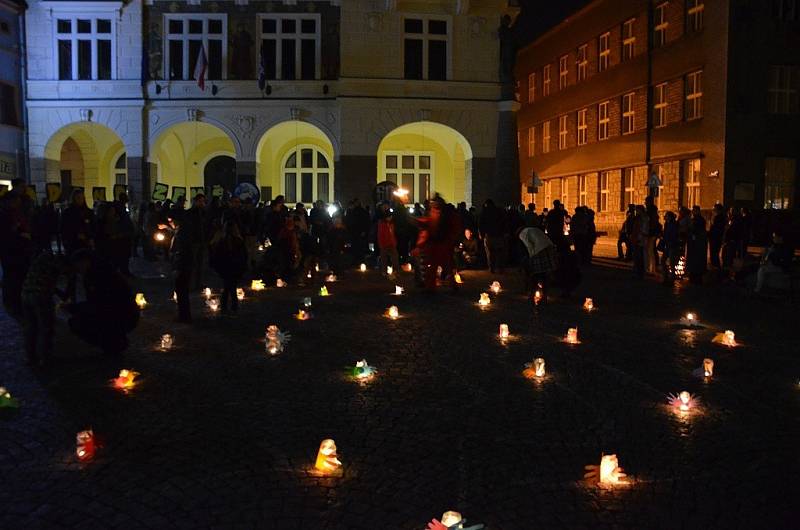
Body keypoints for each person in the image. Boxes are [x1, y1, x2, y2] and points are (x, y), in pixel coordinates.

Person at [65, 250, 139, 355]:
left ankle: (113, 342)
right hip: (116, 312)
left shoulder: (101, 276)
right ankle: (112, 342)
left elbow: (101, 303)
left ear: (86, 262)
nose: (78, 269)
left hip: (120, 314)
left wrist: (76, 308)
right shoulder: (93, 274)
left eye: (78, 265)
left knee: (79, 322)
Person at [21, 252, 67, 367]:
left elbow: (43, 280)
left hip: (26, 294)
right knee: (45, 327)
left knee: (31, 327)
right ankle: (45, 358)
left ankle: (30, 357)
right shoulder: (56, 264)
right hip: (41, 296)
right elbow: (51, 283)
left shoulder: (40, 260)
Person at [170, 194, 206, 322]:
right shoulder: (184, 228)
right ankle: (184, 314)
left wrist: (177, 263)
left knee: (182, 289)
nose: (171, 223)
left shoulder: (183, 233)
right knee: (182, 289)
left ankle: (184, 315)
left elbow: (181, 249)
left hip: (184, 262)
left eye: (171, 221)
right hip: (184, 260)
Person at [0, 189, 34, 317]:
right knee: (12, 275)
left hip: (20, 249)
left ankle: (16, 299)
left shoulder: (16, 213)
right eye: (16, 201)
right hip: (11, 250)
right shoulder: (5, 215)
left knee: (18, 275)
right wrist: (19, 234)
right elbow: (6, 234)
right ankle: (12, 300)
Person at [210, 220, 248, 313]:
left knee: (227, 287)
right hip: (234, 267)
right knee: (231, 287)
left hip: (226, 268)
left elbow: (215, 255)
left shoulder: (222, 241)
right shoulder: (238, 241)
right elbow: (244, 256)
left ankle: (226, 307)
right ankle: (232, 307)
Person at [519, 226, 557, 301]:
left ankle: (532, 294)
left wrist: (530, 259)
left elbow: (529, 246)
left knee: (536, 273)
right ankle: (545, 295)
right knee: (545, 273)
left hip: (539, 250)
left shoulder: (522, 234)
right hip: (549, 247)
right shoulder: (532, 229)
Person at [60, 189, 95, 256]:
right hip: (73, 244)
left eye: (82, 198)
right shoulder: (67, 213)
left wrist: (91, 238)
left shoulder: (88, 212)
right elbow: (64, 229)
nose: (80, 200)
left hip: (87, 243)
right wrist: (75, 235)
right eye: (78, 198)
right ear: (74, 199)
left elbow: (93, 226)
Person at [479, 199, 507, 274]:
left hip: (489, 235)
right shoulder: (499, 211)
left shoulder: (484, 212)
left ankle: (492, 268)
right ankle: (500, 267)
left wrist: (481, 234)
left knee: (490, 253)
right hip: (499, 235)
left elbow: (481, 224)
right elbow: (504, 222)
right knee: (499, 252)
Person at [685, 206, 707, 285]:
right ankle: (695, 276)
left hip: (697, 243)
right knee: (695, 260)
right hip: (695, 243)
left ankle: (696, 276)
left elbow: (695, 230)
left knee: (696, 260)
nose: (693, 212)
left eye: (694, 210)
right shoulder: (696, 219)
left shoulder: (698, 220)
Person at [377, 205, 400, 277]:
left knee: (395, 258)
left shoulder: (391, 224)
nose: (391, 218)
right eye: (389, 217)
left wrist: (394, 242)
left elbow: (392, 234)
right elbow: (380, 235)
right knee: (384, 259)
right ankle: (384, 271)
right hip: (384, 244)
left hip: (392, 243)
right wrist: (381, 244)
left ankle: (396, 271)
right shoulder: (382, 225)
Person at [708, 203, 726, 271]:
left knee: (714, 254)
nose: (713, 210)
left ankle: (716, 269)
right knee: (715, 253)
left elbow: (715, 227)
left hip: (715, 238)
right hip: (716, 238)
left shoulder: (718, 217)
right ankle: (716, 268)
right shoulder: (721, 217)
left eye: (714, 209)